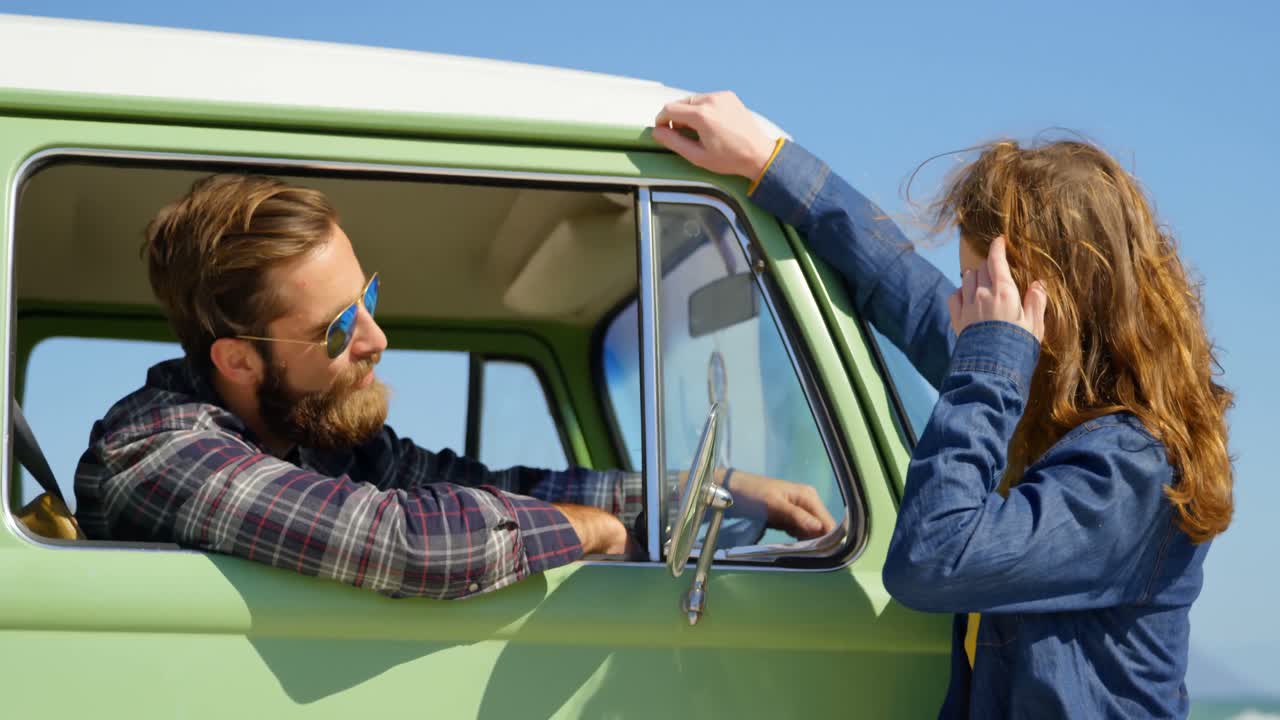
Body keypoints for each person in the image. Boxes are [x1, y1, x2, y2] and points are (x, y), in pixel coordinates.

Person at [654, 92, 1232, 718]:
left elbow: (932, 557)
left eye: (981, 287)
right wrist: (770, 163)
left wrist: (990, 357)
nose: (963, 306)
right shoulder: (1045, 403)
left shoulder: (1132, 471)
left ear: (1056, 301)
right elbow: (894, 283)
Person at [73, 173, 836, 600]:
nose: (376, 339)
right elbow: (402, 543)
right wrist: (592, 533)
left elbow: (495, 486)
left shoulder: (318, 438)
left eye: (366, 298)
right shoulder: (157, 453)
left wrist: (706, 488)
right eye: (340, 329)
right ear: (238, 361)